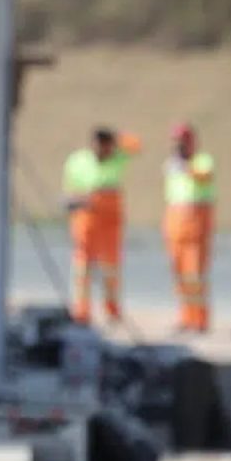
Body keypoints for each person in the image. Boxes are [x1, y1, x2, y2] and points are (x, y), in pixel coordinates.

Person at [62, 127, 142, 324]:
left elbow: (136, 144)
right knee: (83, 267)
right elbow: (69, 190)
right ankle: (82, 311)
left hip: (110, 220)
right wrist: (76, 202)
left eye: (106, 146)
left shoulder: (117, 158)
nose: (102, 151)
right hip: (86, 216)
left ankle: (112, 310)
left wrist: (116, 137)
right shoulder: (78, 160)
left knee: (110, 268)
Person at [163, 122, 216, 333]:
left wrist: (186, 166)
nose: (178, 146)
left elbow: (204, 176)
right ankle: (185, 317)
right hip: (175, 221)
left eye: (182, 141)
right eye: (176, 142)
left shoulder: (202, 161)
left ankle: (199, 319)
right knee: (179, 273)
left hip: (196, 222)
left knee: (195, 274)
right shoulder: (171, 164)